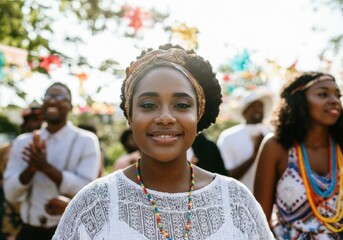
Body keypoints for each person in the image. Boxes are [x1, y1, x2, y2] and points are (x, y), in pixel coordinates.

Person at [53, 44, 273, 239]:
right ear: (130, 117)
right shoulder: (94, 203)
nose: (166, 117)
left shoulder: (236, 201)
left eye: (182, 105)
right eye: (148, 105)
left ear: (198, 115)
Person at [3, 82, 101, 240]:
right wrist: (31, 169)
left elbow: (87, 190)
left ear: (70, 106)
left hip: (69, 232)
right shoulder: (23, 142)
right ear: (43, 104)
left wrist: (46, 167)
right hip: (28, 231)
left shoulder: (86, 141)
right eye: (48, 96)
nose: (53, 100)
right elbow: (10, 195)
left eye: (60, 96)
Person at [254, 72, 343, 239]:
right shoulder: (276, 147)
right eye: (323, 94)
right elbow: (260, 221)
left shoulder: (340, 147)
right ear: (299, 101)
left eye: (338, 95)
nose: (335, 100)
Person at [0, 101, 44, 239]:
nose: (39, 124)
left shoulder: (50, 148)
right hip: (9, 205)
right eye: (34, 120)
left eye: (42, 120)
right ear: (25, 124)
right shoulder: (5, 150)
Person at [217, 90, 273, 192]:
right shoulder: (229, 136)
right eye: (252, 106)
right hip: (238, 199)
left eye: (260, 106)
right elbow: (225, 176)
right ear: (244, 111)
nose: (257, 110)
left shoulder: (273, 133)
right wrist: (255, 155)